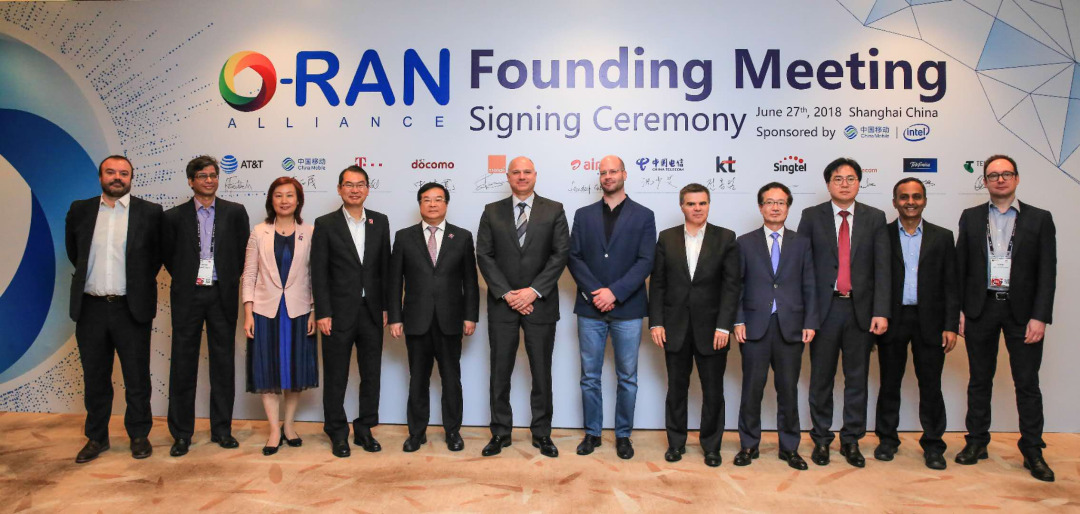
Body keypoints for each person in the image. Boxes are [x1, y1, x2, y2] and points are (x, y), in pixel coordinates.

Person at [955, 155, 1057, 482]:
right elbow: (961, 268)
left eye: (1006, 174)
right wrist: (959, 311)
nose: (1000, 179)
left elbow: (1047, 272)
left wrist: (1040, 317)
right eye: (993, 175)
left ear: (1016, 178)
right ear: (984, 181)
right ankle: (976, 442)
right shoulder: (971, 217)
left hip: (1023, 313)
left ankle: (1032, 450)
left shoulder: (1040, 219)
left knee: (1027, 383)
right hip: (980, 308)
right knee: (979, 379)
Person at [67, 155, 162, 463]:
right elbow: (74, 252)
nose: (117, 177)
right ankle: (96, 437)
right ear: (100, 177)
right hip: (90, 308)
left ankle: (139, 435)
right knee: (95, 377)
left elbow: (155, 257)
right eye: (111, 172)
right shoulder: (80, 210)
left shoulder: (150, 212)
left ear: (131, 178)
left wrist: (135, 285)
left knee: (137, 377)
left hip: (130, 308)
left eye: (124, 173)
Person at [797, 157, 890, 468]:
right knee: (821, 379)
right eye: (838, 179)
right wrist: (807, 314)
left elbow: (882, 268)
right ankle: (821, 440)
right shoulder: (812, 216)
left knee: (857, 380)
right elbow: (803, 267)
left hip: (860, 311)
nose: (845, 184)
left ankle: (851, 440)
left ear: (859, 183)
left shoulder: (875, 217)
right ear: (828, 184)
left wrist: (881, 311)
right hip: (824, 311)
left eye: (851, 178)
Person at [476, 156, 570, 458]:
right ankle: (500, 432)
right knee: (499, 371)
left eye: (527, 171)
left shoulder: (554, 209)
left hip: (540, 304)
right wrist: (507, 294)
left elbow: (560, 254)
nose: (521, 176)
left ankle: (542, 433)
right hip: (503, 305)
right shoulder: (492, 211)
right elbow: (484, 255)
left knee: (541, 372)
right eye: (515, 172)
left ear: (535, 175)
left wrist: (532, 292)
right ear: (507, 177)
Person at [567, 155, 656, 460]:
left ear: (624, 174)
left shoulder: (644, 215)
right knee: (589, 376)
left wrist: (615, 293)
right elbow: (574, 257)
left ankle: (623, 435)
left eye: (613, 171)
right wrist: (597, 293)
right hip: (590, 307)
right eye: (603, 172)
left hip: (628, 308)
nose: (608, 176)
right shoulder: (583, 215)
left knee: (627, 377)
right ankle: (592, 433)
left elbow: (646, 260)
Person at [162, 155, 250, 457]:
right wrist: (188, 278)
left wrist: (226, 278)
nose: (209, 180)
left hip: (221, 294)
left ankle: (222, 430)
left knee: (223, 364)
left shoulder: (235, 212)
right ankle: (181, 434)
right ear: (191, 181)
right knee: (183, 365)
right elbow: (168, 256)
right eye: (202, 176)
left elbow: (242, 253)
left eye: (213, 175)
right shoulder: (173, 217)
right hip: (188, 296)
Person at [648, 183, 739, 467]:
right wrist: (656, 322)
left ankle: (711, 446)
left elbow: (731, 287)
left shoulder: (725, 237)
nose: (697, 208)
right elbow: (658, 284)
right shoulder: (667, 237)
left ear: (708, 205)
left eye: (702, 203)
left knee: (713, 392)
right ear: (682, 206)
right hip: (674, 328)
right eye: (691, 204)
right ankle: (676, 443)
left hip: (713, 331)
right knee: (676, 389)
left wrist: (724, 326)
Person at [873, 177, 959, 470]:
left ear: (924, 200)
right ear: (895, 201)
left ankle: (934, 445)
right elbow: (874, 279)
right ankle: (887, 440)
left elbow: (951, 285)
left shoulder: (942, 237)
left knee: (931, 385)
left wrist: (950, 325)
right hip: (892, 319)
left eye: (916, 196)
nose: (910, 202)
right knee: (889, 383)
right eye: (904, 197)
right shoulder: (881, 235)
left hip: (931, 321)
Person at [388, 183, 480, 452]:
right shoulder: (404, 237)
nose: (432, 204)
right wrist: (395, 317)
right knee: (418, 379)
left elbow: (470, 281)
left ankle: (453, 431)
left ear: (446, 204)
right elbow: (394, 282)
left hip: (451, 320)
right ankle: (416, 433)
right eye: (426, 199)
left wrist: (470, 316)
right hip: (416, 320)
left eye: (438, 199)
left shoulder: (461, 237)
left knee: (451, 379)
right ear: (419, 204)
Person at [733, 182, 817, 470]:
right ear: (760, 207)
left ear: (788, 208)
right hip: (754, 326)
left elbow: (810, 284)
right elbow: (736, 285)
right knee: (751, 389)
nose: (775, 207)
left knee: (788, 390)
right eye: (769, 202)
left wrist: (810, 321)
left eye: (781, 202)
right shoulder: (744, 242)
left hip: (791, 326)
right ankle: (748, 445)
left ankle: (790, 448)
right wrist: (738, 319)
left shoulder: (802, 242)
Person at [311, 165, 391, 458]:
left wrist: (386, 307)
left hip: (372, 312)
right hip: (337, 313)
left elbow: (385, 268)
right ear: (339, 189)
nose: (354, 190)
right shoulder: (325, 223)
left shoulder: (380, 221)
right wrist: (323, 312)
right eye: (348, 184)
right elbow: (318, 271)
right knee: (336, 375)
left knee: (371, 374)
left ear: (367, 189)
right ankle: (337, 431)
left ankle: (365, 428)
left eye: (360, 185)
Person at [241, 177, 317, 456]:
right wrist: (248, 312)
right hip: (265, 311)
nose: (284, 201)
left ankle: (289, 425)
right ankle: (274, 430)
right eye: (278, 195)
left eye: (290, 195)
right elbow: (249, 273)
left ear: (298, 200)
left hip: (299, 311)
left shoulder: (310, 232)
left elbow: (314, 275)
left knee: (294, 371)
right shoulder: (259, 232)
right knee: (268, 371)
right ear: (271, 200)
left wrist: (314, 310)